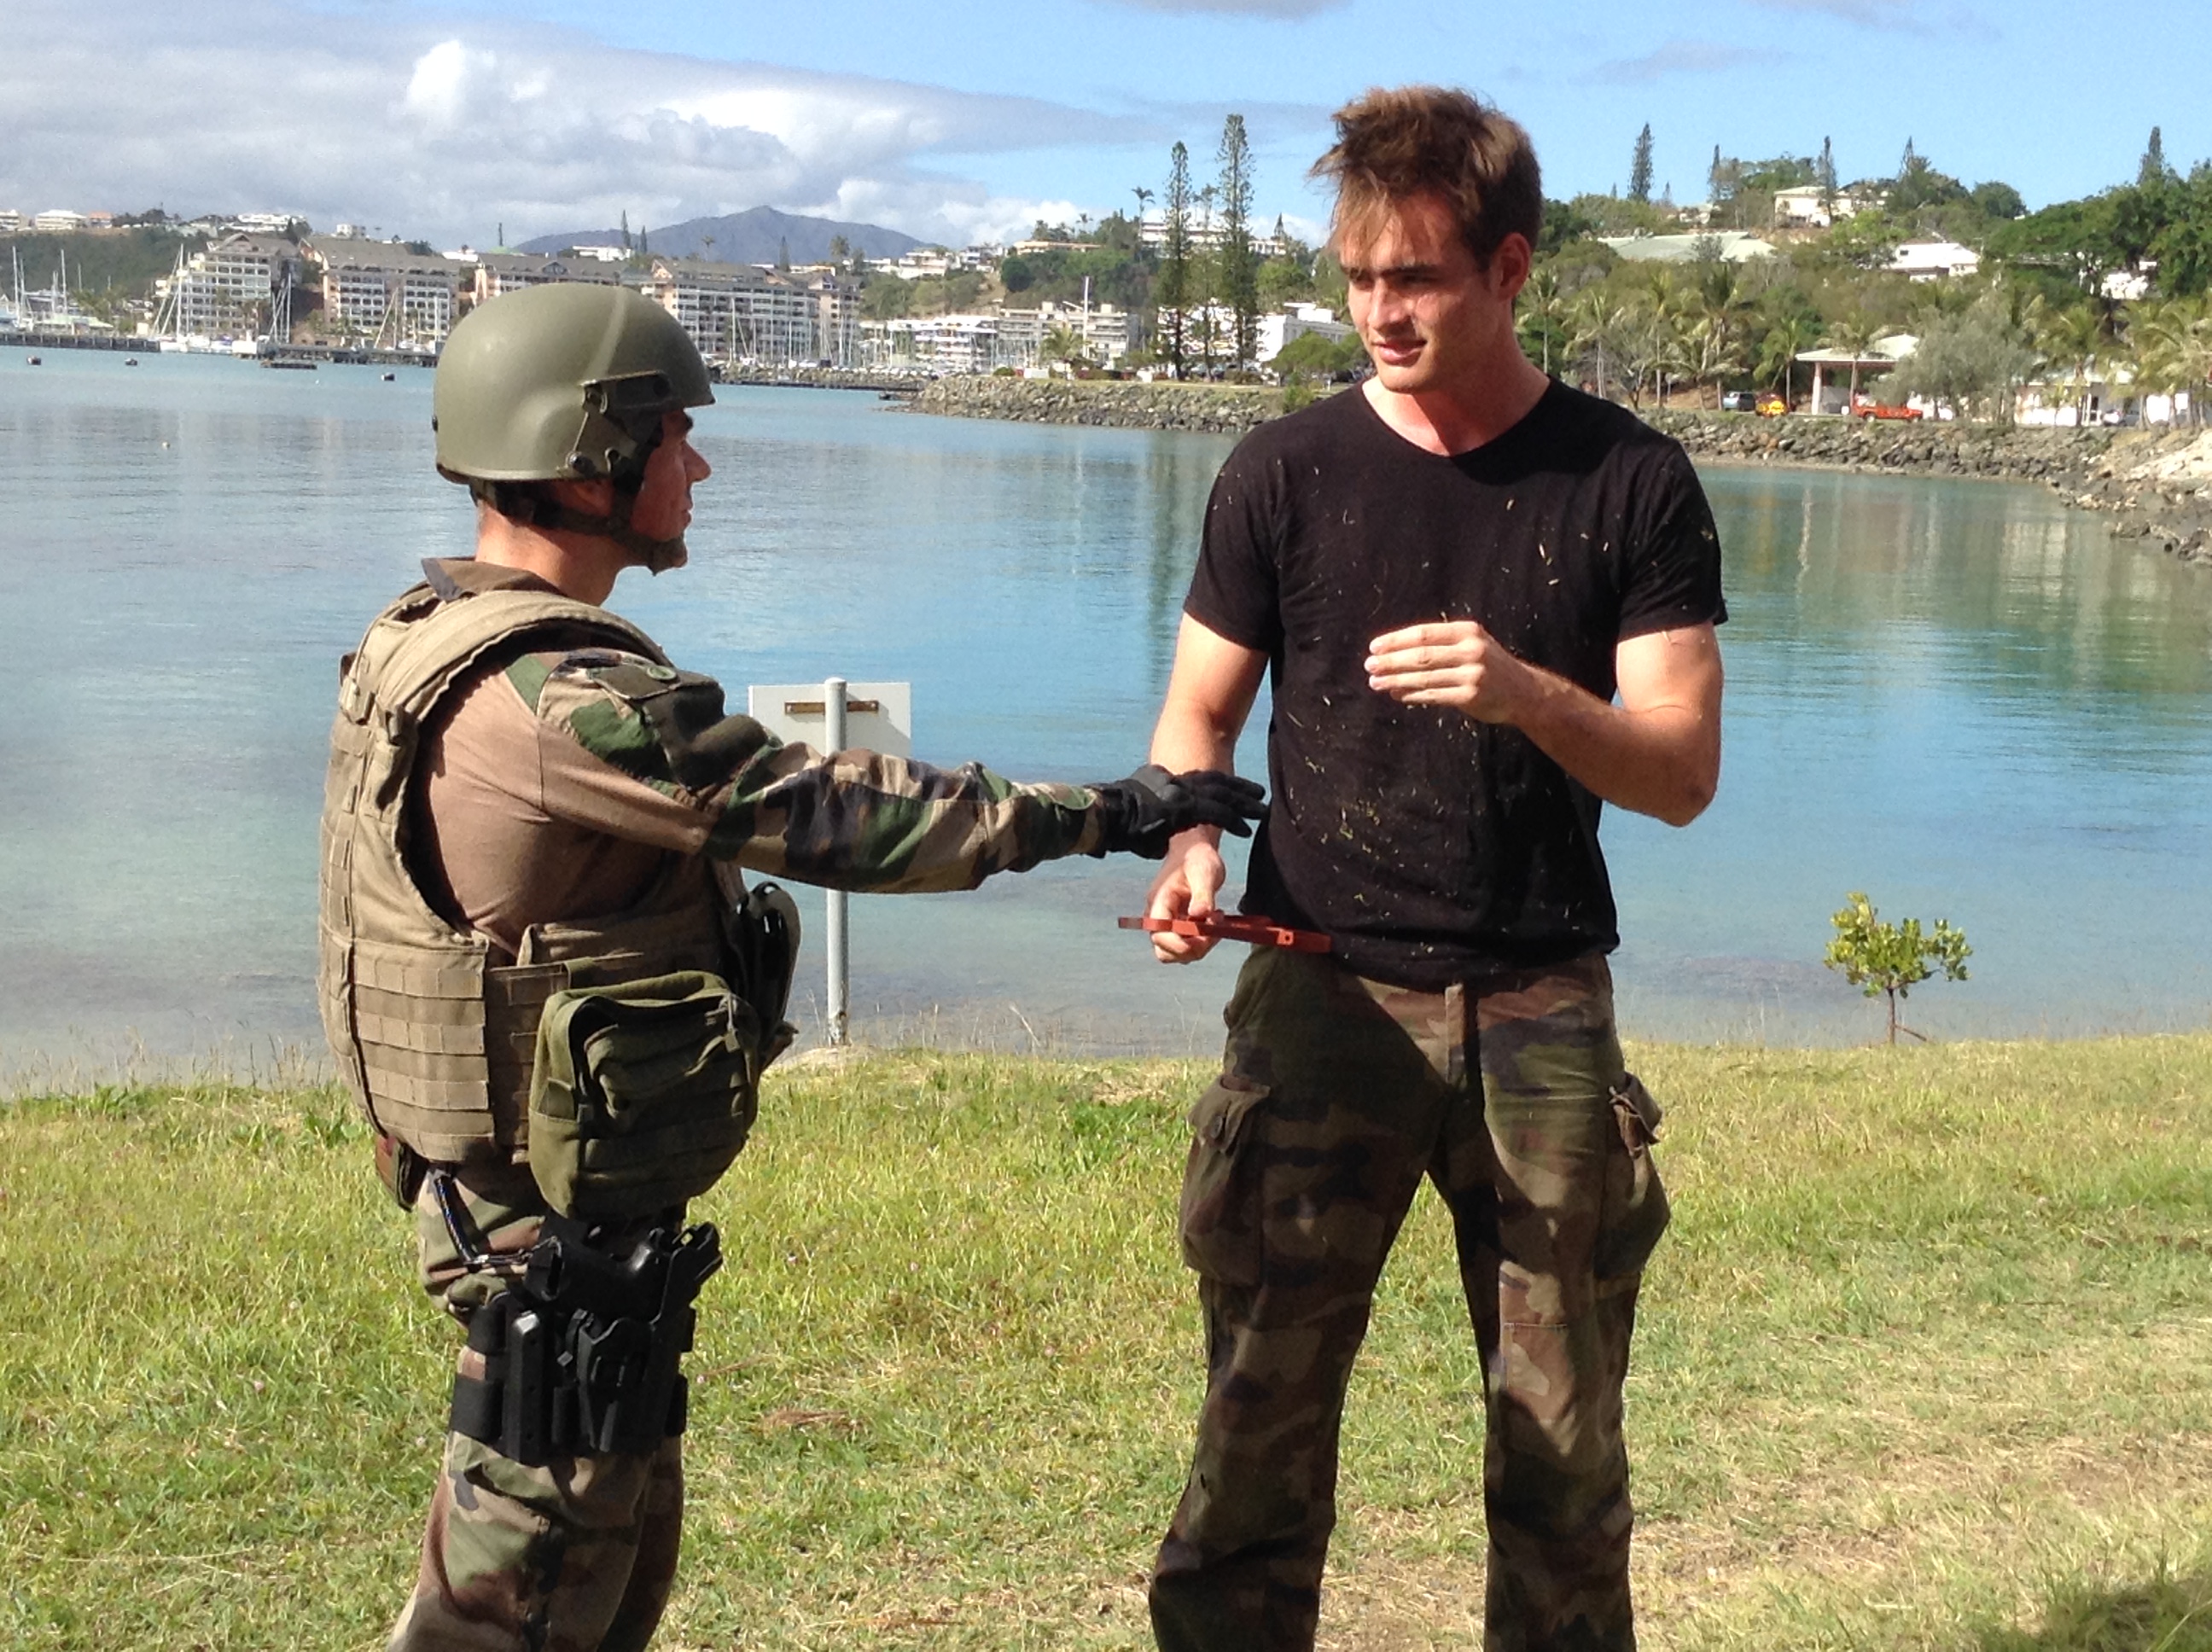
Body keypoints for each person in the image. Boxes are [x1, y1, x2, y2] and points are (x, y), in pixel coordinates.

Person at [318, 281, 1264, 1652]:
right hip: (548, 1242)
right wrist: (1115, 811)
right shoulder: (564, 703)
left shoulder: (422, 636)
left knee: (598, 1574)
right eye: (672, 436)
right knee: (515, 1603)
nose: (697, 467)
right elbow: (837, 815)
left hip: (527, 1206)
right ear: (588, 458)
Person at [1138, 86, 1726, 1652]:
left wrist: (1524, 691)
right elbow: (1201, 715)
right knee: (1253, 1439)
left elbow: (1681, 773)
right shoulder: (1281, 471)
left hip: (1541, 1013)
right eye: (1357, 278)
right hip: (1317, 996)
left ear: (1510, 269)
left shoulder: (1630, 480)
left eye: (1415, 278)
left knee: (1562, 1459)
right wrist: (1193, 839)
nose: (1379, 312)